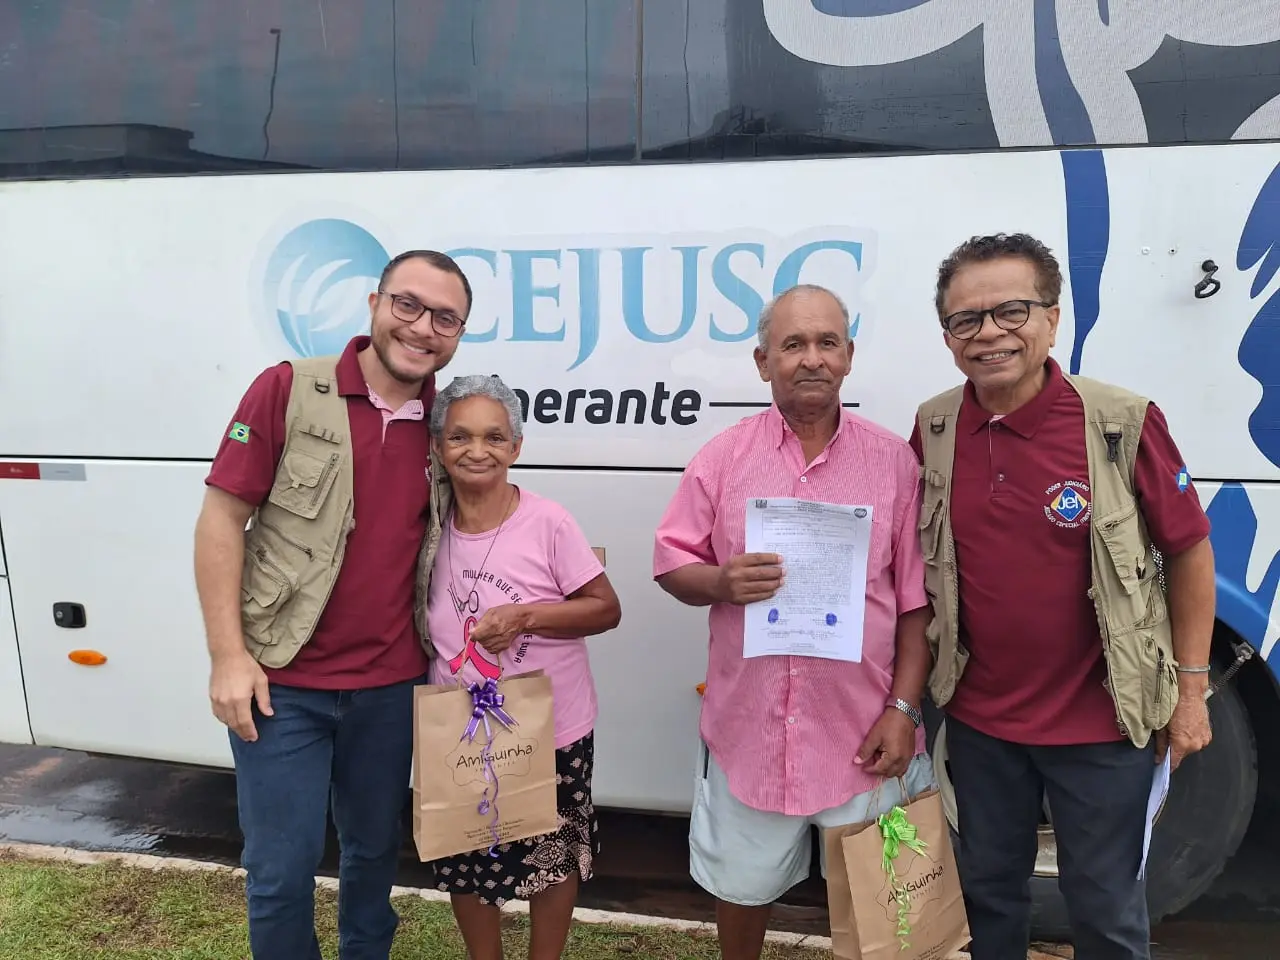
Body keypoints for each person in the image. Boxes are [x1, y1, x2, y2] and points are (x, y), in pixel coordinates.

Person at [911, 233, 1215, 960]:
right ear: (948, 336)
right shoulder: (936, 427)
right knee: (990, 898)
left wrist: (1192, 690)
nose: (989, 334)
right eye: (966, 320)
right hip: (982, 724)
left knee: (1106, 909)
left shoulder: (1119, 421)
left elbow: (1188, 549)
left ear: (1052, 319)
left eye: (1011, 311)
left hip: (1101, 725)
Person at [193, 250, 473, 960]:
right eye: (408, 304)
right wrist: (228, 656)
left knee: (374, 856)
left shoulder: (450, 426)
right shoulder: (289, 389)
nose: (422, 327)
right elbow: (222, 519)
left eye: (445, 317)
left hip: (390, 687)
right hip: (281, 686)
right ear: (375, 303)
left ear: (458, 334)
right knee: (280, 874)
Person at [651, 283, 936, 960]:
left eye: (826, 342)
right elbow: (671, 564)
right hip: (750, 732)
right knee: (741, 891)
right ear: (762, 362)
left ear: (849, 357)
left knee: (880, 909)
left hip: (867, 733)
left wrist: (903, 709)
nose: (811, 358)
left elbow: (916, 604)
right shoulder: (722, 459)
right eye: (792, 344)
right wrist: (720, 581)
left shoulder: (895, 463)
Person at [424, 374, 622, 960]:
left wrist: (527, 617)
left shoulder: (548, 522)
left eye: (494, 436)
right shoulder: (429, 527)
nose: (476, 450)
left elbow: (605, 609)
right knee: (465, 859)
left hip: (550, 728)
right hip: (460, 726)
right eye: (460, 436)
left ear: (516, 447)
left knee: (550, 858)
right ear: (438, 447)